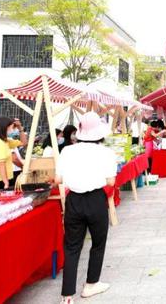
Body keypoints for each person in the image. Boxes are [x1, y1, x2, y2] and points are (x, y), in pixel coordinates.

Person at [56, 112, 117, 303]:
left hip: (73, 200)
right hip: (96, 200)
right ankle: (91, 284)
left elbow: (58, 179)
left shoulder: (67, 151)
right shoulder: (106, 152)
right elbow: (111, 180)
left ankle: (67, 295)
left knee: (72, 246)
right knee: (98, 243)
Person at [0, 117, 28, 195]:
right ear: (5, 127)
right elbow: (0, 165)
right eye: (12, 128)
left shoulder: (6, 141)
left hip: (7, 179)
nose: (12, 130)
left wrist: (20, 128)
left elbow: (24, 143)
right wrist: (6, 183)